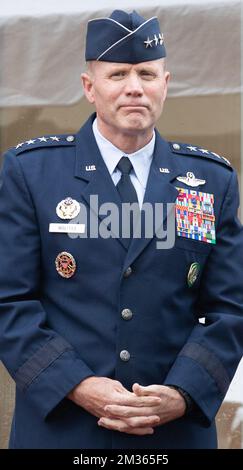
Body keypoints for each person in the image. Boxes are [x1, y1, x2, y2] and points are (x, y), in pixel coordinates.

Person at [0, 9, 243, 450]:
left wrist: (182, 392)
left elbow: (232, 307)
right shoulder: (31, 174)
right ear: (89, 88)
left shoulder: (211, 180)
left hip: (173, 433)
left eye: (147, 73)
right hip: (63, 428)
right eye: (118, 74)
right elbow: (8, 300)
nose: (135, 87)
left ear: (165, 85)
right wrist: (76, 384)